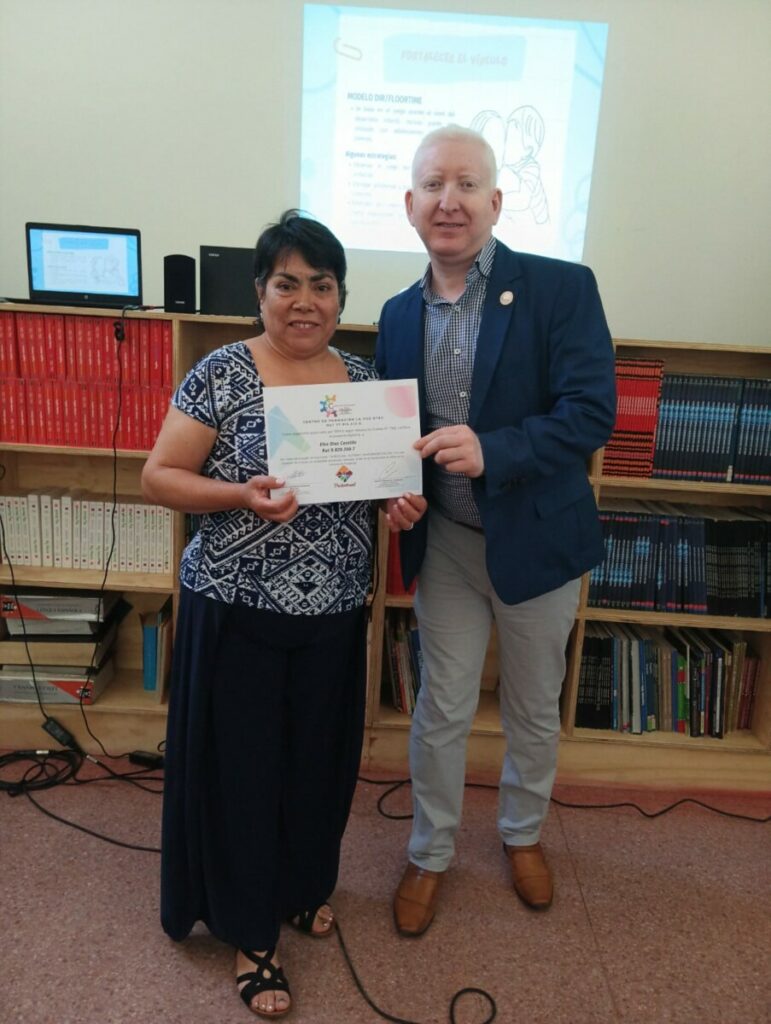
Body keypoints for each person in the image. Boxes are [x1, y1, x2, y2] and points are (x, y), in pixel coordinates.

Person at [142, 209, 425, 1018]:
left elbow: (377, 490)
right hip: (236, 611)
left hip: (333, 614)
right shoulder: (222, 372)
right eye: (286, 284)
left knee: (315, 766)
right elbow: (159, 477)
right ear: (259, 293)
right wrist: (240, 494)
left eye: (321, 285)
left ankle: (300, 888)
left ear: (340, 297)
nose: (305, 301)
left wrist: (398, 506)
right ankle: (250, 932)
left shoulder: (366, 383)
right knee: (243, 775)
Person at [376, 126, 616, 936]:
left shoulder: (560, 288)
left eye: (466, 184)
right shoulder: (395, 313)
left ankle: (521, 834)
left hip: (537, 540)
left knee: (532, 706)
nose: (448, 201)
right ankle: (430, 850)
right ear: (409, 204)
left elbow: (590, 413)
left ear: (495, 202)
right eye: (432, 185)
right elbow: (396, 433)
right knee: (439, 707)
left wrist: (495, 450)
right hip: (446, 540)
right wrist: (396, 492)